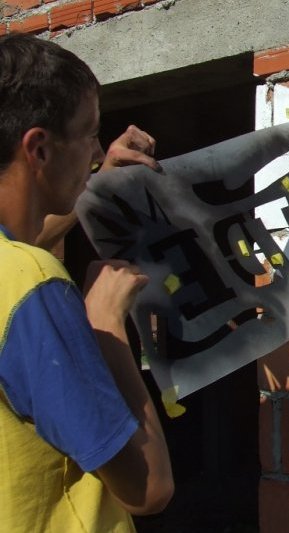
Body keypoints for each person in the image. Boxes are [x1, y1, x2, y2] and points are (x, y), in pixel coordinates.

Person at [0, 33, 174, 531]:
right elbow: (148, 488)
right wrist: (105, 323)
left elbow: (22, 239)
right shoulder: (34, 284)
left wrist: (95, 180)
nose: (98, 152)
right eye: (89, 134)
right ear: (39, 149)